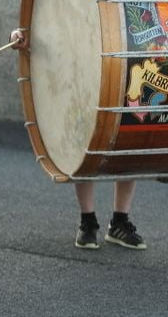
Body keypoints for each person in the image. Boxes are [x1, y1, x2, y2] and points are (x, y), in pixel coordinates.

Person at [9, 28, 146, 250]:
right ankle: (87, 222)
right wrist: (17, 36)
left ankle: (120, 221)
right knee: (84, 148)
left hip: (117, 69)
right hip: (76, 78)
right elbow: (36, 23)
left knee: (126, 144)